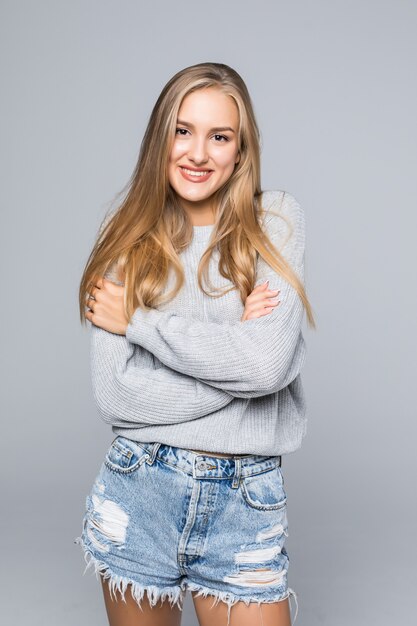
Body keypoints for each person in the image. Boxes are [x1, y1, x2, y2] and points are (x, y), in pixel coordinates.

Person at [75, 61, 316, 626]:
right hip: (139, 488)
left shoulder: (274, 221)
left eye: (219, 136)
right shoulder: (126, 230)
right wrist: (243, 360)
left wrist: (139, 323)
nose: (198, 153)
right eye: (182, 130)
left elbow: (264, 366)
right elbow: (116, 397)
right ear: (160, 137)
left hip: (245, 501)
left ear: (240, 149)